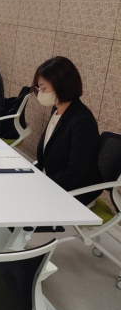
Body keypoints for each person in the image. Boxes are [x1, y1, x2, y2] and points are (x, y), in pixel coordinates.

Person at [32, 56, 102, 206]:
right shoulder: (57, 110)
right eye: (39, 89)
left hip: (74, 192)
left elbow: (75, 173)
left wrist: (42, 185)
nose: (41, 93)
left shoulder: (82, 121)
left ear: (61, 86)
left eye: (43, 89)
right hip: (52, 180)